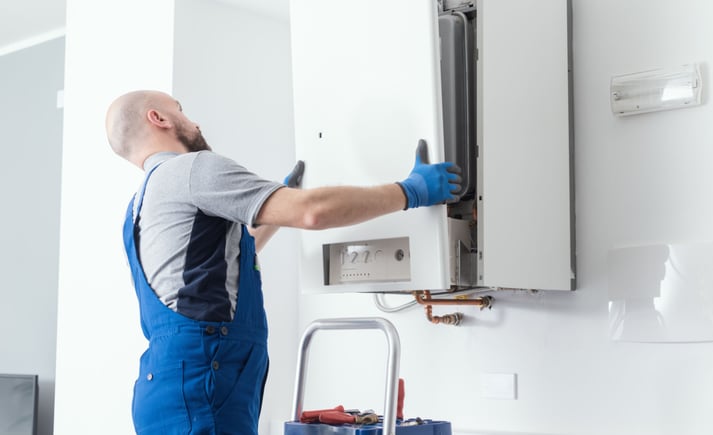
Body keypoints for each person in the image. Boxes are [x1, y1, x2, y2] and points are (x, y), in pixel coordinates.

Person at [105, 89, 461, 435]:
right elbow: (312, 213)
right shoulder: (193, 170)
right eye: (180, 109)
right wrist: (411, 191)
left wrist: (270, 212)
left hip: (168, 386)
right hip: (202, 381)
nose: (194, 122)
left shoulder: (138, 205)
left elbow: (223, 263)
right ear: (159, 118)